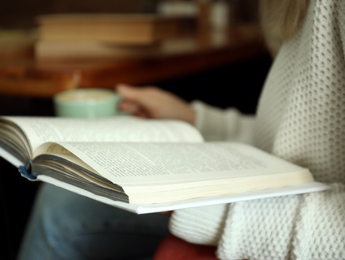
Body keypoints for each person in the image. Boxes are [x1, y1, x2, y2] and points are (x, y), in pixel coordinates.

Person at [18, 0, 345, 259]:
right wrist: (195, 121)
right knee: (61, 201)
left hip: (289, 219)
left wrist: (210, 208)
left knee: (62, 215)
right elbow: (306, 138)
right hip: (284, 198)